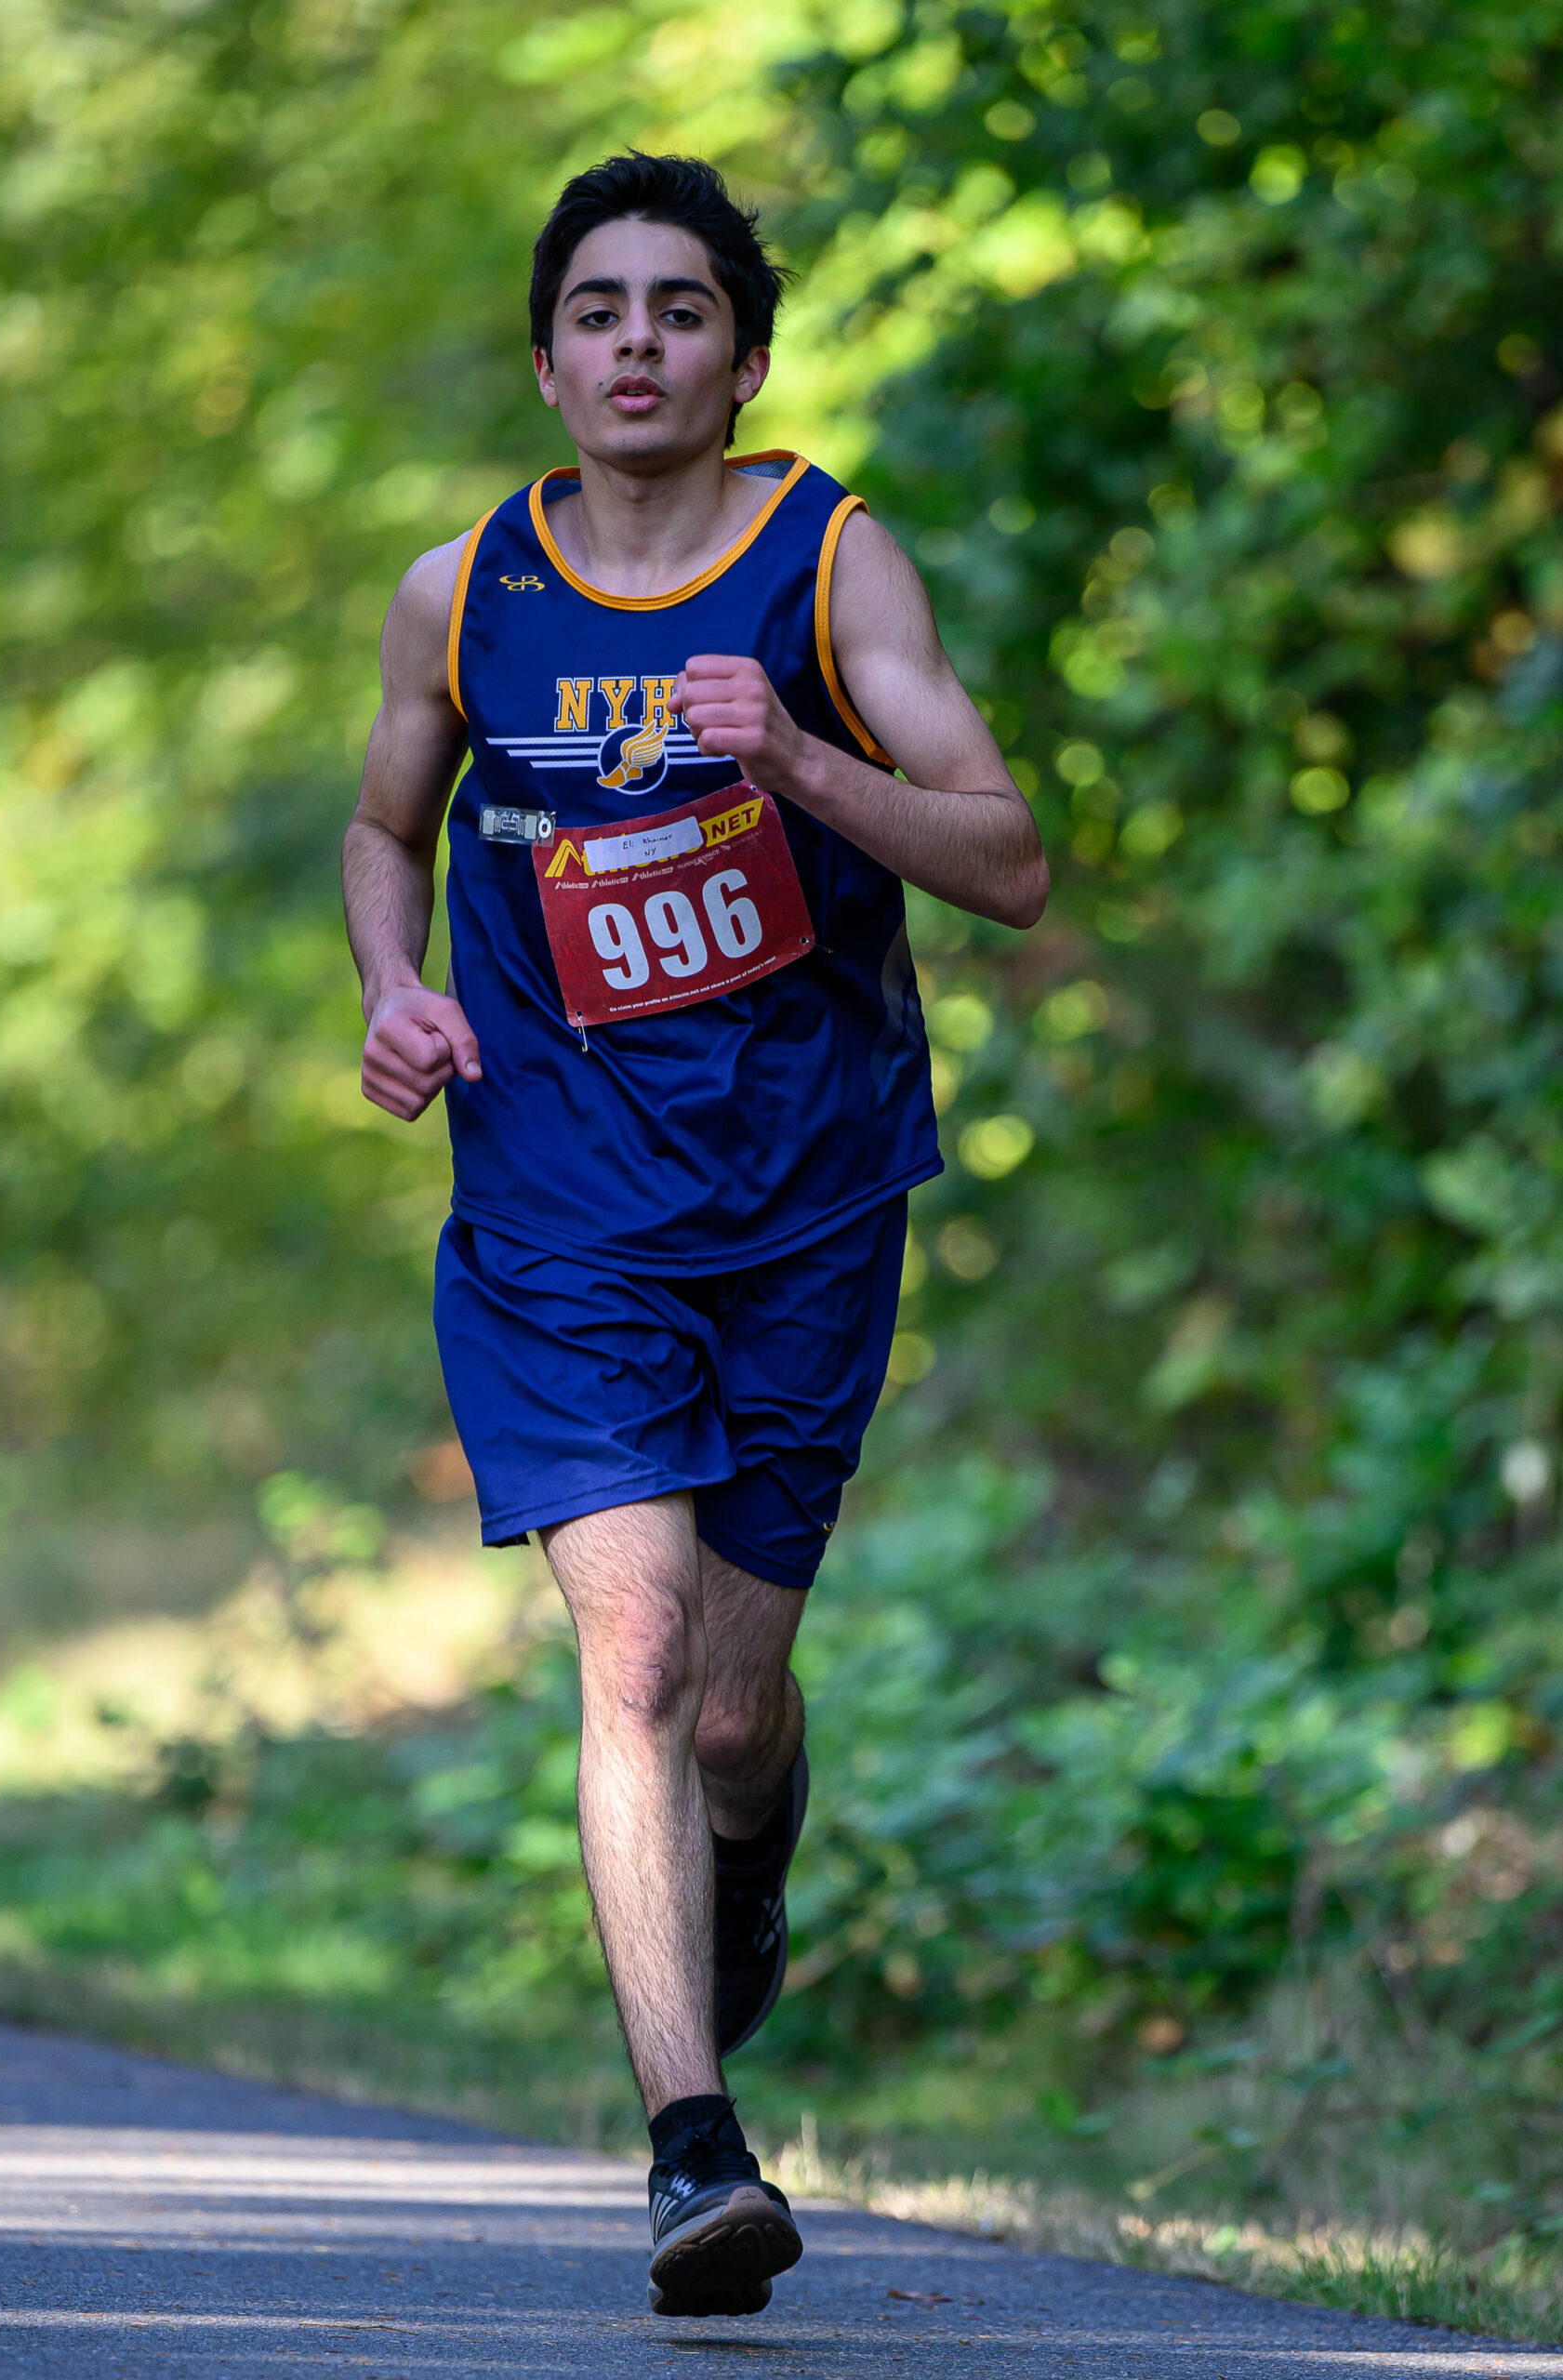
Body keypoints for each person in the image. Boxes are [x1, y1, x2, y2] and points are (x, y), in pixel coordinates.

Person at [341, 151, 1048, 2320]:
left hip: (803, 1200)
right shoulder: (460, 590)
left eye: (679, 310)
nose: (635, 342)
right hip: (553, 1192)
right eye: (596, 310)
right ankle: (688, 2147)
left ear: (740, 353)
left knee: (733, 1708)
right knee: (628, 1645)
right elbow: (387, 823)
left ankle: (748, 1852)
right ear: (549, 357)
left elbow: (1009, 858)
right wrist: (392, 984)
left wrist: (811, 765)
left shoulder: (830, 564)